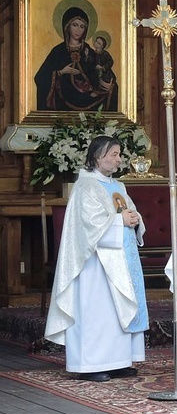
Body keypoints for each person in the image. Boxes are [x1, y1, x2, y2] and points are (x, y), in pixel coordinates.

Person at [44, 136, 147, 382]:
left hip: (121, 257)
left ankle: (118, 361)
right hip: (95, 263)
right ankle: (90, 364)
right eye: (114, 154)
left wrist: (135, 220)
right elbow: (89, 225)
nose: (118, 159)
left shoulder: (118, 186)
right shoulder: (86, 186)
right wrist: (119, 221)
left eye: (119, 154)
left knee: (117, 309)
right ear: (98, 155)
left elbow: (128, 212)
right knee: (98, 311)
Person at [34, 6, 117, 112]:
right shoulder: (58, 51)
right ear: (67, 27)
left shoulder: (89, 51)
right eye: (75, 25)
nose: (78, 30)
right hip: (64, 99)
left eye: (82, 27)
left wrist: (108, 84)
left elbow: (100, 72)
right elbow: (40, 78)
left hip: (89, 96)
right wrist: (61, 72)